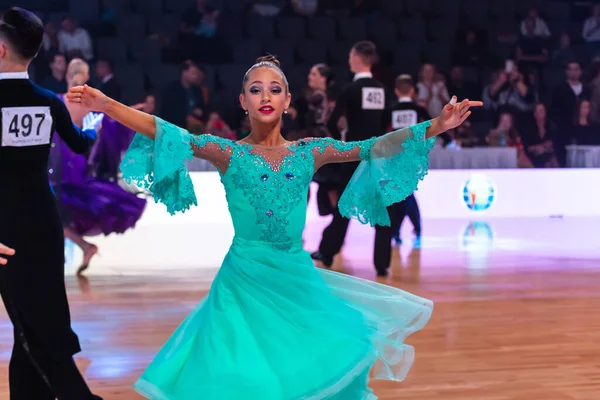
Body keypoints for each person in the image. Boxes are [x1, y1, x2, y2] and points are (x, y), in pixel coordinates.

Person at [67, 54, 481, 399]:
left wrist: (436, 126)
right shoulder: (227, 153)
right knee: (244, 378)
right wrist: (107, 105)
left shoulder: (309, 152)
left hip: (297, 280)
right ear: (243, 102)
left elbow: (372, 147)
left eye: (275, 89)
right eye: (255, 89)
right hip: (243, 282)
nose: (265, 95)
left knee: (311, 369)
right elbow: (165, 132)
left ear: (287, 102)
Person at [0, 7, 103, 400]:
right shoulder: (48, 101)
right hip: (44, 221)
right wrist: (96, 122)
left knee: (34, 327)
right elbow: (80, 143)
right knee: (37, 319)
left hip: (6, 227)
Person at [49, 57, 147, 275]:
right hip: (75, 164)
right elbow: (108, 126)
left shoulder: (56, 101)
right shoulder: (89, 105)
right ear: (87, 78)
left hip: (58, 167)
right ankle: (84, 247)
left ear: (66, 75)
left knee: (53, 215)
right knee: (56, 215)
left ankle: (80, 248)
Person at [311, 40, 393, 276]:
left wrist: (343, 142)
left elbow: (331, 122)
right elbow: (387, 122)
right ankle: (382, 263)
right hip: (376, 157)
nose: (348, 60)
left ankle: (327, 252)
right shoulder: (382, 90)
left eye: (350, 56)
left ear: (357, 58)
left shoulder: (350, 90)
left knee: (345, 206)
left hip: (354, 155)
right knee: (380, 209)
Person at [384, 75, 430, 247]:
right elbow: (432, 126)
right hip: (411, 157)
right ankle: (415, 228)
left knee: (405, 193)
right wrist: (449, 142)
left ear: (396, 91)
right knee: (407, 192)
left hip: (394, 156)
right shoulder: (418, 110)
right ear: (412, 91)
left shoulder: (390, 111)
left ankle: (397, 230)